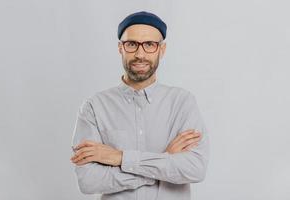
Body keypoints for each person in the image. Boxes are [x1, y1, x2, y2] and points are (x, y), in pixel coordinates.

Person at [70, 11, 209, 200]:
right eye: (132, 44)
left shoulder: (182, 102)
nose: (140, 54)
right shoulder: (94, 107)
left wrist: (120, 158)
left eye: (150, 45)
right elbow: (88, 182)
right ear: (121, 48)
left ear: (162, 49)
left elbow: (195, 169)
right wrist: (164, 160)